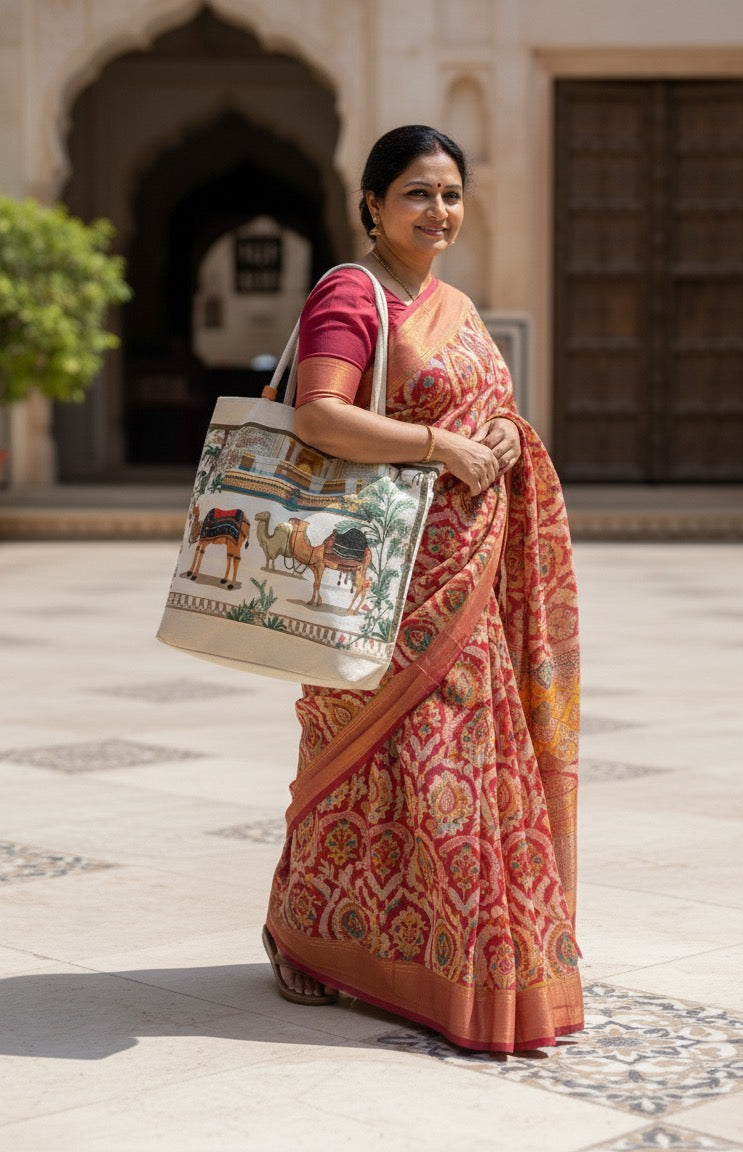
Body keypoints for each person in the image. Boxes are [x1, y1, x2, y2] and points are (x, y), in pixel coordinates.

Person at [262, 125, 582, 1053]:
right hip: (379, 579)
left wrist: (506, 442)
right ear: (372, 203)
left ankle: (459, 951)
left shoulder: (456, 304)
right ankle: (308, 933)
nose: (438, 211)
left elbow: (489, 414)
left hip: (468, 579)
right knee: (368, 764)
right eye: (416, 193)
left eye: (450, 193)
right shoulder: (349, 294)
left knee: (459, 772)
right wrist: (445, 446)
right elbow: (321, 416)